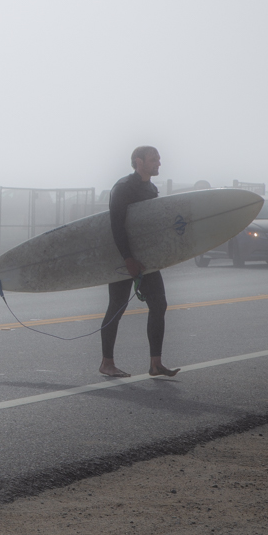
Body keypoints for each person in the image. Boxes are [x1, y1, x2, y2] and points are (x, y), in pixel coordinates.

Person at [99, 146, 180, 379]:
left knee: (159, 304)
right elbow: (116, 225)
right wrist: (127, 258)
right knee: (117, 307)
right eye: (154, 159)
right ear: (138, 161)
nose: (159, 163)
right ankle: (107, 363)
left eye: (159, 159)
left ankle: (156, 364)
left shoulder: (151, 188)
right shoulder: (123, 187)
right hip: (123, 257)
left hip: (146, 259)